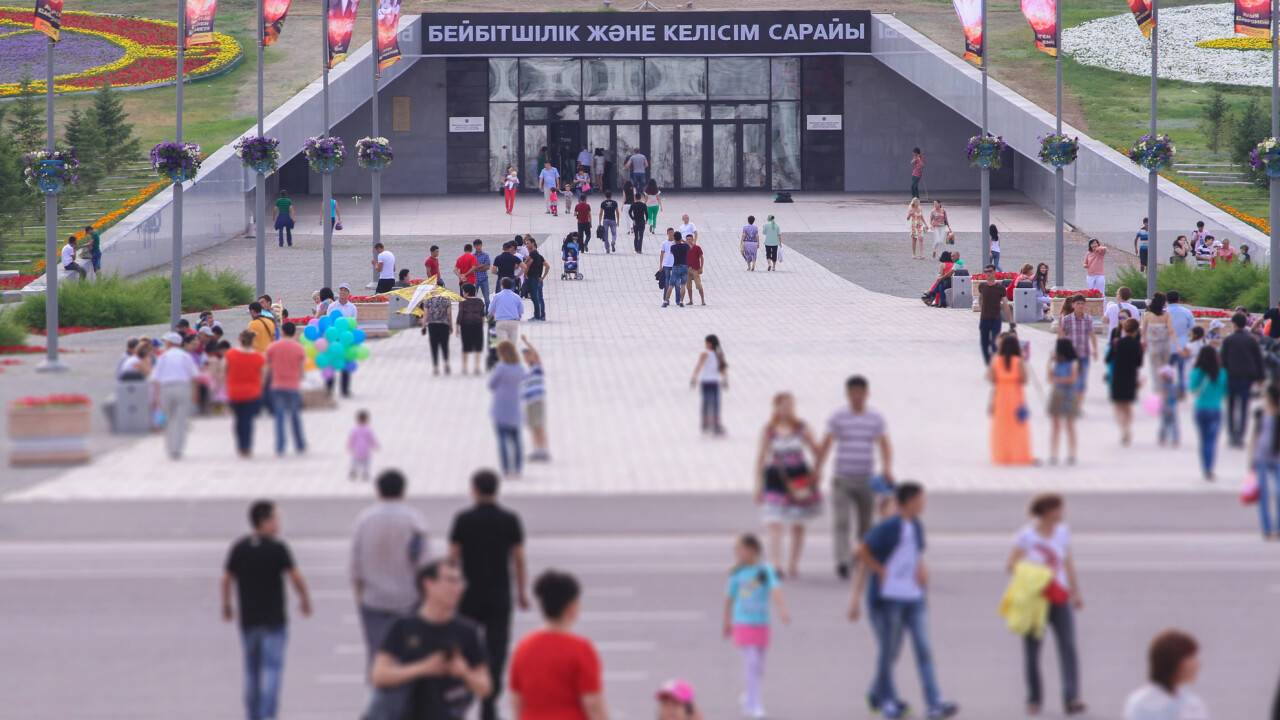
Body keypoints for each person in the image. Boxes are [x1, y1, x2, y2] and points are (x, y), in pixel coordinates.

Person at [850, 482, 959, 720]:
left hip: (914, 597)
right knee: (889, 651)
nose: (924, 504)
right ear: (909, 501)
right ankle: (887, 700)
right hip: (890, 598)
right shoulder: (889, 527)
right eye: (921, 499)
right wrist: (880, 570)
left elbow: (915, 554)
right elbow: (861, 550)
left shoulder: (917, 526)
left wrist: (921, 571)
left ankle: (934, 702)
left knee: (923, 648)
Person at [449, 469, 530, 720]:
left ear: (474, 489)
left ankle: (468, 693)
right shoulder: (510, 519)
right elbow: (518, 558)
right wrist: (521, 591)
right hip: (499, 593)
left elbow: (452, 558)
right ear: (497, 489)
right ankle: (489, 701)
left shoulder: (463, 519)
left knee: (466, 646)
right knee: (497, 649)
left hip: (469, 594)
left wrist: (449, 590)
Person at [222, 500, 311, 720]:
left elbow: (226, 578)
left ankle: (253, 714)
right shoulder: (278, 548)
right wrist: (304, 599)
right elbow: (295, 576)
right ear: (264, 522)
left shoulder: (240, 547)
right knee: (272, 669)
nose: (278, 523)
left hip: (249, 620)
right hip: (274, 620)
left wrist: (227, 605)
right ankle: (268, 714)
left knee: (251, 671)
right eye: (275, 518)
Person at [371, 559, 491, 719]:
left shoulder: (468, 631)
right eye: (451, 581)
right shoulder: (402, 627)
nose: (458, 588)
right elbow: (379, 676)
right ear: (429, 584)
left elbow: (485, 688)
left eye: (460, 581)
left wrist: (464, 672)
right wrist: (423, 667)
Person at [1006, 494, 1086, 716]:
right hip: (1036, 600)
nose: (1062, 513)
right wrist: (1035, 576)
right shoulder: (1027, 536)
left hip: (1060, 596)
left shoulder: (1062, 532)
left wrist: (1075, 591)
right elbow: (1011, 565)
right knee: (1033, 652)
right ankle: (1034, 698)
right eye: (1058, 509)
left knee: (1068, 647)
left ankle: (1071, 697)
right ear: (1047, 511)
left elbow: (1067, 562)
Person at [351, 469, 431, 668]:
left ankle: (380, 687)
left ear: (378, 491)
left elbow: (355, 565)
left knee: (377, 655)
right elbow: (425, 564)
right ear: (403, 491)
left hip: (374, 600)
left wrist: (359, 596)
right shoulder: (414, 520)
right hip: (409, 599)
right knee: (410, 657)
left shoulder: (364, 520)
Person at [816, 375, 893, 580]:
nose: (857, 396)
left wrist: (887, 468)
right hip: (842, 478)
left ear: (867, 394)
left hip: (866, 478)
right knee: (841, 521)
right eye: (853, 393)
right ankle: (842, 560)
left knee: (865, 523)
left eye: (861, 393)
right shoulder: (838, 416)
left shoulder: (875, 418)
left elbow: (884, 444)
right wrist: (818, 469)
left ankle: (860, 557)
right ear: (847, 394)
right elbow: (826, 443)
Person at [509, 569, 608, 720]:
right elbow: (592, 702)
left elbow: (517, 700)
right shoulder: (581, 649)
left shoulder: (523, 647)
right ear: (572, 607)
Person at [754, 392, 822, 578]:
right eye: (782, 405)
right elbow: (761, 458)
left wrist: (816, 472)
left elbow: (817, 451)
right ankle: (776, 563)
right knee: (774, 521)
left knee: (798, 522)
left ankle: (794, 562)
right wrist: (758, 486)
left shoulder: (802, 428)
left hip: (799, 476)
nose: (786, 409)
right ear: (776, 407)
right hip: (776, 476)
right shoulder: (769, 430)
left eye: (789, 405)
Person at [723, 533, 789, 720]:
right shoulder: (737, 574)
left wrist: (782, 610)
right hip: (742, 622)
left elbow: (775, 590)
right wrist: (727, 620)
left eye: (741, 549)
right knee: (751, 662)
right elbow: (730, 597)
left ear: (753, 550)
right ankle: (755, 703)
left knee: (759, 666)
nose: (738, 553)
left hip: (761, 623)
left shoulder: (764, 571)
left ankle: (749, 694)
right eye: (737, 550)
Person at [1123, 630, 1208, 720]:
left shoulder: (1193, 706)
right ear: (1172, 660)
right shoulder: (1142, 703)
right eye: (1191, 657)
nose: (1197, 664)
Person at [151, 332, 200, 459]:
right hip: (182, 388)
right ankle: (177, 448)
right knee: (180, 419)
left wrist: (156, 397)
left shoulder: (163, 357)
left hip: (166, 388)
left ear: (170, 343)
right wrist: (195, 393)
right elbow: (194, 376)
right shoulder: (185, 356)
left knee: (168, 419)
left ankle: (170, 447)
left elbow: (156, 379)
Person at [1221, 311, 1266, 447]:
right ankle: (1240, 435)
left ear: (1234, 324)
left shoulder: (1228, 340)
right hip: (1247, 377)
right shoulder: (1251, 340)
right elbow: (1258, 359)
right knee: (1244, 406)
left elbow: (1223, 360)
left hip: (1231, 376)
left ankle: (1232, 435)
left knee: (1231, 406)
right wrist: (1261, 377)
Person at [989, 334, 1034, 465]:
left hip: (1001, 396)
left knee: (1001, 426)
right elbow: (1025, 380)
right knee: (1017, 426)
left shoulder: (996, 360)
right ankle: (1018, 453)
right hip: (1015, 396)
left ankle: (1003, 454)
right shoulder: (1018, 361)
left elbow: (992, 379)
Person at [266, 322, 307, 457]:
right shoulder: (299, 348)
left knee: (279, 416)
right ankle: (299, 444)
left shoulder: (273, 347)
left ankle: (280, 446)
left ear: (282, 331)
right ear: (294, 333)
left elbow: (268, 366)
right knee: (295, 416)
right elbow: (301, 370)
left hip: (277, 384)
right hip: (293, 385)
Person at [224, 330, 265, 458]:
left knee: (238, 419)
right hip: (252, 392)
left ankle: (240, 445)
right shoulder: (258, 357)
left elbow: (225, 371)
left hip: (234, 391)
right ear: (253, 341)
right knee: (247, 420)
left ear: (240, 340)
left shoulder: (230, 354)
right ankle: (247, 446)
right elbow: (262, 376)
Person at [490, 341, 525, 478]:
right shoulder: (519, 368)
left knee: (502, 441)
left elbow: (491, 384)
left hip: (500, 408)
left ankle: (506, 469)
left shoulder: (501, 368)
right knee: (516, 440)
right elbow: (524, 379)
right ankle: (517, 468)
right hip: (514, 407)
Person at [1249, 385, 1280, 538]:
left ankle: (1278, 527)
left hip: (1277, 456)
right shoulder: (1260, 413)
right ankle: (1267, 528)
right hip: (1261, 456)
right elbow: (1254, 436)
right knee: (1264, 494)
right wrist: (1251, 458)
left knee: (1278, 492)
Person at [1109, 318, 1144, 446]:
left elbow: (1110, 358)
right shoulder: (1137, 345)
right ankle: (1128, 428)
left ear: (1124, 329)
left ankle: (1123, 429)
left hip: (1118, 375)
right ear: (1136, 330)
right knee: (1128, 405)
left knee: (1118, 405)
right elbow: (1139, 363)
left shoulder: (1117, 343)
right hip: (1131, 376)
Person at [1047, 338, 1080, 465]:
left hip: (1068, 394)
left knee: (1069, 425)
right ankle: (1053, 454)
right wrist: (1050, 361)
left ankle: (1072, 454)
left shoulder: (1073, 363)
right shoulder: (1056, 363)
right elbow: (1049, 378)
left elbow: (1072, 379)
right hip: (1058, 393)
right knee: (1055, 426)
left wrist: (1058, 380)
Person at [1059, 294, 1097, 404]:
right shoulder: (1066, 319)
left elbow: (1092, 334)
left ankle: (1077, 405)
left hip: (1084, 355)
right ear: (1073, 305)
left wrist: (1095, 349)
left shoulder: (1088, 319)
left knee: (1081, 382)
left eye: (1082, 303)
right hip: (1070, 356)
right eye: (1078, 303)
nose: (1080, 306)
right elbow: (1061, 336)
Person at [690, 334, 728, 435]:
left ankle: (710, 424)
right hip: (711, 382)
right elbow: (722, 369)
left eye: (706, 342)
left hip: (709, 382)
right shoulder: (716, 354)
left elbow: (699, 366)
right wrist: (725, 379)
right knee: (712, 403)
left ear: (710, 344)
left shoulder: (709, 354)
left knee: (709, 403)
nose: (705, 344)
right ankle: (709, 424)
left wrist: (694, 378)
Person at [520, 336, 550, 462]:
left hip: (537, 400)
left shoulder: (537, 368)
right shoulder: (529, 372)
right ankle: (537, 450)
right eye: (525, 356)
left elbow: (536, 354)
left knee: (539, 426)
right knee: (533, 426)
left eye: (528, 355)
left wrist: (526, 342)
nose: (527, 358)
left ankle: (543, 450)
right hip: (530, 402)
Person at [1141, 292, 1174, 390]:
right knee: (1165, 368)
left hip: (1153, 346)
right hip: (1165, 346)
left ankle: (1157, 389)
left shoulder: (1147, 315)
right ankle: (1165, 389)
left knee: (1155, 369)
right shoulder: (1166, 315)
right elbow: (1171, 331)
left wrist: (1144, 341)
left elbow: (1143, 331)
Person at [977, 265, 1009, 365]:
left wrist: (1011, 321)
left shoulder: (1000, 288)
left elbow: (1005, 304)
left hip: (996, 319)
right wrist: (981, 308)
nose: (988, 273)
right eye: (986, 271)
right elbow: (980, 298)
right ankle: (989, 364)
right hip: (984, 319)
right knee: (984, 343)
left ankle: (995, 364)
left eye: (990, 271)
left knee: (995, 344)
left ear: (994, 272)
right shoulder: (982, 286)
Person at [456, 283, 487, 376]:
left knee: (466, 347)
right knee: (478, 347)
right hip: (478, 325)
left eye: (463, 291)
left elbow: (460, 315)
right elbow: (482, 315)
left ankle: (465, 368)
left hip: (465, 325)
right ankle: (477, 367)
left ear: (467, 293)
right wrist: (482, 325)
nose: (462, 293)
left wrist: (457, 328)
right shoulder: (480, 301)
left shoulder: (462, 302)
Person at [423, 290, 453, 376]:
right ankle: (446, 363)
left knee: (434, 346)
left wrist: (424, 326)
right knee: (445, 345)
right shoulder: (446, 299)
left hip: (432, 325)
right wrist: (451, 326)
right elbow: (449, 314)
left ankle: (435, 367)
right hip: (444, 325)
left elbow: (426, 314)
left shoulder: (428, 300)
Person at [488, 277, 523, 347]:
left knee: (503, 345)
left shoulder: (497, 296)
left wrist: (491, 318)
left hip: (501, 322)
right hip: (513, 322)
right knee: (512, 345)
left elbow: (490, 310)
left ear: (502, 285)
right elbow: (521, 311)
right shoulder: (517, 296)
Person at [348, 409, 379, 482]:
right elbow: (371, 438)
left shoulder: (355, 429)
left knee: (355, 460)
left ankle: (353, 470)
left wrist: (350, 445)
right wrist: (375, 445)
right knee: (366, 462)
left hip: (357, 449)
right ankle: (365, 472)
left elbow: (352, 438)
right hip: (365, 449)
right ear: (367, 420)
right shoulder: (368, 429)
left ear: (357, 420)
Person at [523, 237, 548, 321]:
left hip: (532, 278)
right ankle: (542, 315)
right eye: (526, 244)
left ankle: (537, 315)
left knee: (534, 297)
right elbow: (547, 266)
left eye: (528, 243)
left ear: (533, 243)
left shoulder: (532, 254)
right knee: (539, 297)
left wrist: (525, 274)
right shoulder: (539, 255)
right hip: (538, 278)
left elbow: (527, 264)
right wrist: (542, 277)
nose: (526, 245)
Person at [666, 232, 690, 308]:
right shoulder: (685, 246)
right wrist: (683, 240)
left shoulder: (673, 247)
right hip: (684, 266)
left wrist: (675, 241)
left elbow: (671, 253)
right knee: (683, 285)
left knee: (671, 285)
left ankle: (666, 300)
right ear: (680, 238)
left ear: (674, 238)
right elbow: (689, 246)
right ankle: (681, 301)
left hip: (676, 266)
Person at [686, 232, 706, 306]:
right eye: (687, 239)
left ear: (693, 239)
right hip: (687, 269)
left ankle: (703, 300)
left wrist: (701, 267)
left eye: (690, 239)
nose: (689, 241)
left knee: (699, 285)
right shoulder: (685, 248)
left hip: (695, 269)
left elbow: (701, 258)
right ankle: (690, 300)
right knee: (688, 286)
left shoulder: (697, 248)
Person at [471, 240, 493, 309]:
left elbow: (488, 267)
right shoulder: (472, 256)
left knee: (487, 298)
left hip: (484, 279)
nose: (478, 247)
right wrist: (482, 265)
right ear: (474, 246)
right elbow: (471, 268)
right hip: (475, 280)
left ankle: (488, 312)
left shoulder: (486, 255)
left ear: (481, 245)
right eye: (476, 245)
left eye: (479, 245)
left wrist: (476, 267)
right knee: (473, 298)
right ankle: (474, 311)